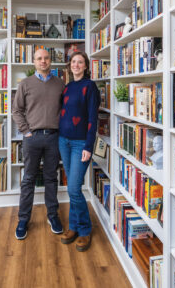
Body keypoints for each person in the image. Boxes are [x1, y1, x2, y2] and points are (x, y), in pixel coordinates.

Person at [12, 49, 65, 240]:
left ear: (50, 61)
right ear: (34, 61)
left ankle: (53, 216)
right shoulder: (25, 84)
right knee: (29, 180)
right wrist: (26, 131)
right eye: (39, 58)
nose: (43, 61)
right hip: (32, 138)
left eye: (46, 58)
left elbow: (65, 110)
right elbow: (16, 110)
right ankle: (23, 220)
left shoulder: (59, 83)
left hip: (53, 138)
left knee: (51, 178)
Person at [59, 51, 100, 251]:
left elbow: (93, 119)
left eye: (80, 62)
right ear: (70, 65)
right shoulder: (67, 87)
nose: (76, 65)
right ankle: (73, 226)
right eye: (73, 62)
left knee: (74, 188)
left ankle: (84, 230)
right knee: (71, 187)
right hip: (63, 141)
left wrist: (88, 146)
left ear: (85, 66)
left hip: (79, 144)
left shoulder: (89, 87)